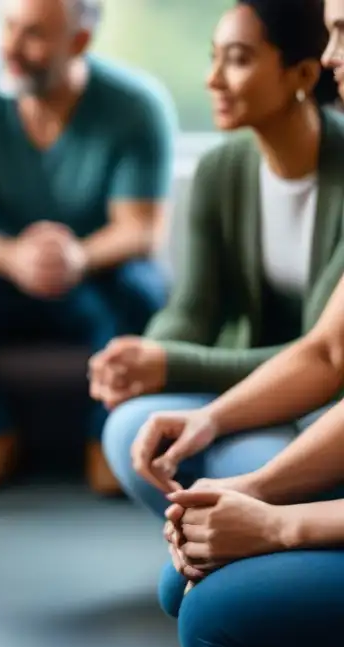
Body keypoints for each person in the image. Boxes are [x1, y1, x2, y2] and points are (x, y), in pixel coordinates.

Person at [97, 0, 344, 515]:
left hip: (322, 408)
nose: (213, 79)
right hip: (243, 391)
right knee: (129, 427)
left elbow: (322, 357)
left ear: (301, 73)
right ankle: (221, 541)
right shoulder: (220, 170)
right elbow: (194, 309)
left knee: (242, 463)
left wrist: (170, 366)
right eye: (214, 58)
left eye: (237, 59)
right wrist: (143, 358)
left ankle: (240, 544)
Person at [0, 0, 174, 494]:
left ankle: (106, 442)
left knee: (145, 292)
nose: (11, 46)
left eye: (33, 34)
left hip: (95, 279)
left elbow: (140, 229)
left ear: (78, 42)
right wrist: (12, 257)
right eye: (9, 26)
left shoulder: (137, 106)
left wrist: (78, 257)